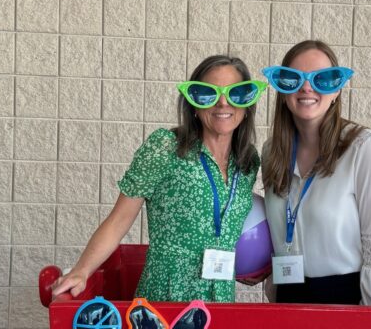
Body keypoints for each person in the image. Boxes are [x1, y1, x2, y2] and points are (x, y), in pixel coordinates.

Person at [52, 55, 266, 303]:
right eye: (207, 93)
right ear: (193, 103)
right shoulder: (165, 147)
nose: (222, 102)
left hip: (220, 298)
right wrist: (82, 270)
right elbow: (119, 219)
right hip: (166, 298)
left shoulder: (248, 161)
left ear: (247, 102)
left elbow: (226, 229)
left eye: (235, 93)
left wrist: (254, 265)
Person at [261, 39, 371, 306]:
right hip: (288, 300)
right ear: (281, 88)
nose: (307, 87)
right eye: (293, 78)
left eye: (323, 79)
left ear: (337, 90)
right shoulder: (273, 152)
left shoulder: (366, 150)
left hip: (345, 303)